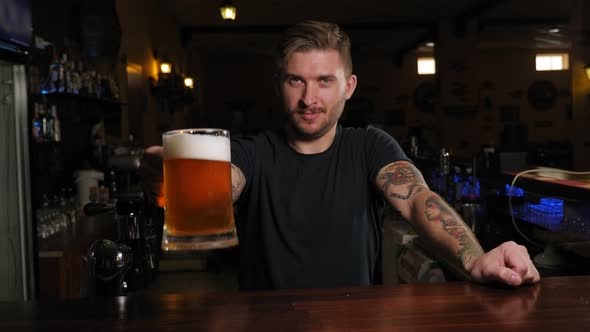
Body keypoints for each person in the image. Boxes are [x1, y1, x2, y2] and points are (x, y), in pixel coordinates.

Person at [146, 20, 539, 290]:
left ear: (348, 86)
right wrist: (189, 184)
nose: (309, 99)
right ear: (278, 84)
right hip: (265, 322)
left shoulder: (369, 146)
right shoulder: (253, 152)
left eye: (324, 81)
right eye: (295, 80)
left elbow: (420, 202)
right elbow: (226, 180)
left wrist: (475, 261)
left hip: (354, 321)